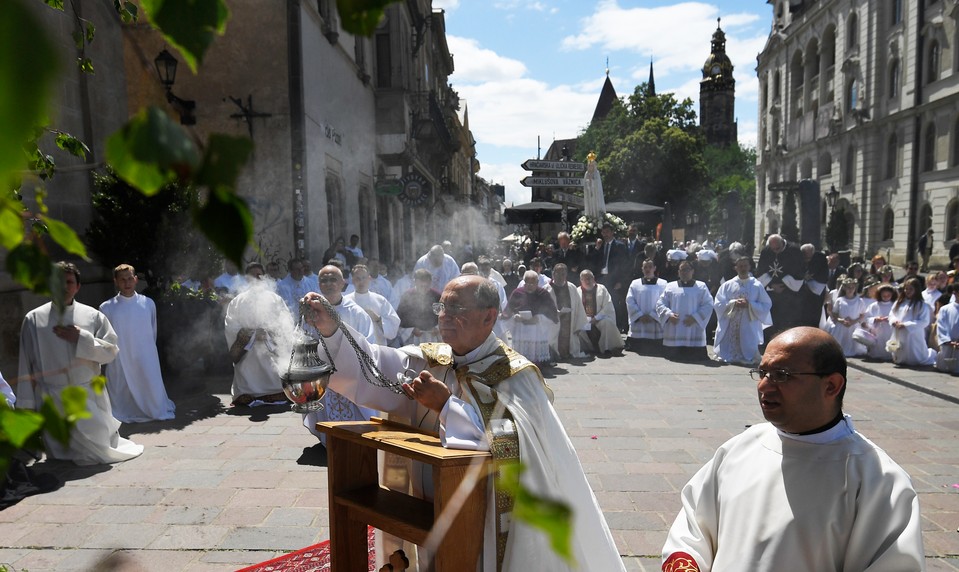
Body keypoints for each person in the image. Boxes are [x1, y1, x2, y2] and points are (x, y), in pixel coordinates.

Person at [302, 275, 625, 572]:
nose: (444, 316)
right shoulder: (432, 360)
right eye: (441, 307)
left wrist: (446, 406)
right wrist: (332, 330)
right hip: (423, 508)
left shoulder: (516, 375)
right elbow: (373, 365)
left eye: (456, 308)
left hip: (484, 520)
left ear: (489, 317)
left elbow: (514, 444)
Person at [662, 326, 925, 572]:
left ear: (831, 386)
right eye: (762, 373)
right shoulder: (740, 448)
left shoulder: (878, 480)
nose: (764, 386)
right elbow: (693, 526)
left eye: (781, 375)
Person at [17, 261, 144, 465]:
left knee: (97, 452)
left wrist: (82, 338)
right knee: (62, 455)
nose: (63, 286)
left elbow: (111, 352)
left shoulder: (93, 316)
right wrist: (26, 405)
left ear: (77, 286)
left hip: (87, 397)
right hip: (52, 398)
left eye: (68, 282)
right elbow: (26, 363)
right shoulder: (33, 319)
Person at [303, 265, 378, 441]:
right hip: (323, 376)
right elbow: (303, 340)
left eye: (333, 279)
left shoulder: (356, 313)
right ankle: (329, 442)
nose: (329, 284)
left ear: (343, 283)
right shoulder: (310, 312)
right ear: (319, 284)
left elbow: (369, 345)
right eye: (324, 280)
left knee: (356, 428)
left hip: (350, 377)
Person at [98, 263, 176, 422]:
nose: (126, 283)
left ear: (135, 280)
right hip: (121, 356)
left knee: (149, 386)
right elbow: (105, 336)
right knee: (122, 388)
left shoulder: (148, 303)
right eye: (122, 279)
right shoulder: (106, 308)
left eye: (129, 279)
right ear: (116, 282)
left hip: (145, 354)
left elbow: (152, 329)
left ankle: (152, 408)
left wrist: (146, 350)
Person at [223, 263, 294, 407]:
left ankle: (276, 390)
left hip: (270, 352)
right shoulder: (237, 302)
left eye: (260, 275)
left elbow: (286, 324)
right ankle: (249, 392)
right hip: (248, 355)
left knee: (275, 373)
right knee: (248, 379)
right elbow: (231, 327)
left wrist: (269, 333)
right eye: (253, 275)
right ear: (247, 278)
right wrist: (253, 335)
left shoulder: (275, 299)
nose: (257, 278)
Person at [712, 257, 772, 365]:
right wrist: (733, 303)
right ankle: (728, 354)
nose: (743, 268)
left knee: (747, 340)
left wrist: (750, 305)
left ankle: (747, 355)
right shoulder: (727, 285)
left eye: (745, 266)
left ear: (749, 267)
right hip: (730, 321)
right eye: (740, 266)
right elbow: (718, 303)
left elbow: (766, 304)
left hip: (748, 321)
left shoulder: (756, 285)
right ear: (736, 268)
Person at [656, 261, 713, 361]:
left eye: (687, 269)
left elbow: (708, 304)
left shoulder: (701, 286)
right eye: (682, 270)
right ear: (678, 272)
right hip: (674, 328)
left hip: (694, 328)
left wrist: (696, 317)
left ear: (692, 271)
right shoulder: (670, 286)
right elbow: (660, 303)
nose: (684, 272)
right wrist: (669, 315)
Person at [755, 234, 804, 344]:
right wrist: (772, 284)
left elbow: (799, 271)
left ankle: (786, 343)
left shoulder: (794, 250)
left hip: (789, 293)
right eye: (773, 249)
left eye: (778, 249)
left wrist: (784, 285)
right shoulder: (766, 251)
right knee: (771, 319)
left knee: (786, 319)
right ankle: (769, 343)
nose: (775, 252)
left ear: (782, 242)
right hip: (770, 291)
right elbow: (761, 270)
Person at [505, 271, 559, 365]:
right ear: (524, 282)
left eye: (532, 283)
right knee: (521, 359)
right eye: (527, 282)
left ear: (537, 283)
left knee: (537, 359)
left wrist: (539, 318)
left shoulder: (543, 294)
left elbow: (552, 314)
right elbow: (508, 311)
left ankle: (539, 363)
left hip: (537, 330)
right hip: (521, 329)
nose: (530, 285)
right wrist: (514, 317)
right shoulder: (517, 293)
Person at [346, 264, 401, 346]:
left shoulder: (380, 300)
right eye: (358, 278)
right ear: (353, 280)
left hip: (378, 348)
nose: (361, 281)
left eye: (364, 278)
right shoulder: (346, 301)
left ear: (369, 278)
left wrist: (378, 319)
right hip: (353, 348)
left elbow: (393, 327)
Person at [888, 277, 937, 366]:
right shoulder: (899, 302)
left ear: (916, 290)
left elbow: (924, 321)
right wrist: (894, 321)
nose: (907, 291)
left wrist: (906, 325)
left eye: (911, 289)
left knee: (915, 356)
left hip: (913, 334)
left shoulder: (922, 305)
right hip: (899, 331)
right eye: (906, 289)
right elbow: (892, 314)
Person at [577, 269, 625, 356]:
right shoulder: (577, 291)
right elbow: (576, 309)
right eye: (584, 279)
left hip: (599, 319)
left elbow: (607, 306)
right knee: (576, 327)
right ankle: (588, 348)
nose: (587, 281)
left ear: (593, 278)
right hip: (584, 321)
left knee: (607, 323)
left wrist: (596, 318)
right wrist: (583, 319)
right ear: (581, 280)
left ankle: (607, 348)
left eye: (589, 278)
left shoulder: (601, 289)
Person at [625, 259, 667, 354]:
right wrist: (639, 315)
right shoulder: (635, 283)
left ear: (654, 268)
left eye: (650, 267)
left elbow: (664, 301)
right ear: (642, 269)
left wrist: (653, 315)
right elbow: (630, 300)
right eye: (645, 267)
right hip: (639, 322)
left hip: (655, 323)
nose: (648, 269)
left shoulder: (663, 284)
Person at [547, 264, 587, 360]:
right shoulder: (546, 289)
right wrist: (554, 312)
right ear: (553, 274)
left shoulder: (572, 287)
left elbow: (579, 307)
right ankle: (554, 354)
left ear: (566, 275)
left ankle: (567, 353)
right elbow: (543, 307)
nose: (560, 277)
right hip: (553, 323)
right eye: (558, 274)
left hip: (569, 322)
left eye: (563, 274)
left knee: (569, 341)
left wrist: (579, 325)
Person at [395, 268, 441, 346]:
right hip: (413, 339)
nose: (424, 288)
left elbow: (442, 316)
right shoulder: (407, 296)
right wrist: (411, 330)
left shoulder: (437, 296)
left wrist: (437, 328)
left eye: (426, 286)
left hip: (433, 338)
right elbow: (400, 318)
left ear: (430, 282)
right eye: (421, 286)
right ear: (415, 282)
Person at [826, 277, 867, 357]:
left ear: (855, 288)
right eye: (848, 287)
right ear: (844, 288)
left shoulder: (859, 300)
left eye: (852, 287)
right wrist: (841, 320)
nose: (850, 289)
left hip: (853, 325)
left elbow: (862, 315)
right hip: (842, 325)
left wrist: (853, 321)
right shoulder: (840, 300)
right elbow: (835, 313)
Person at [863, 283, 898, 361]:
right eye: (884, 295)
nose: (886, 297)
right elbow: (866, 318)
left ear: (892, 295)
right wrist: (875, 319)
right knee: (878, 345)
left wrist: (891, 319)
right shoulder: (874, 305)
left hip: (890, 330)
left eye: (888, 295)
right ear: (879, 295)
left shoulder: (895, 305)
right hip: (878, 330)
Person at [935, 283, 959, 373]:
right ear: (954, 293)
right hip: (948, 344)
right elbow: (941, 326)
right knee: (945, 366)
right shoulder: (945, 309)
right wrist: (947, 341)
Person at [582, 150, 606, 220]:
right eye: (589, 166)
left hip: (596, 194)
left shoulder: (596, 173)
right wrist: (588, 182)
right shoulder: (586, 174)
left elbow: (598, 184)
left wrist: (592, 180)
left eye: (592, 165)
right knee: (590, 206)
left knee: (596, 206)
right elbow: (585, 185)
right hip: (589, 194)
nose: (590, 167)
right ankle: (590, 217)